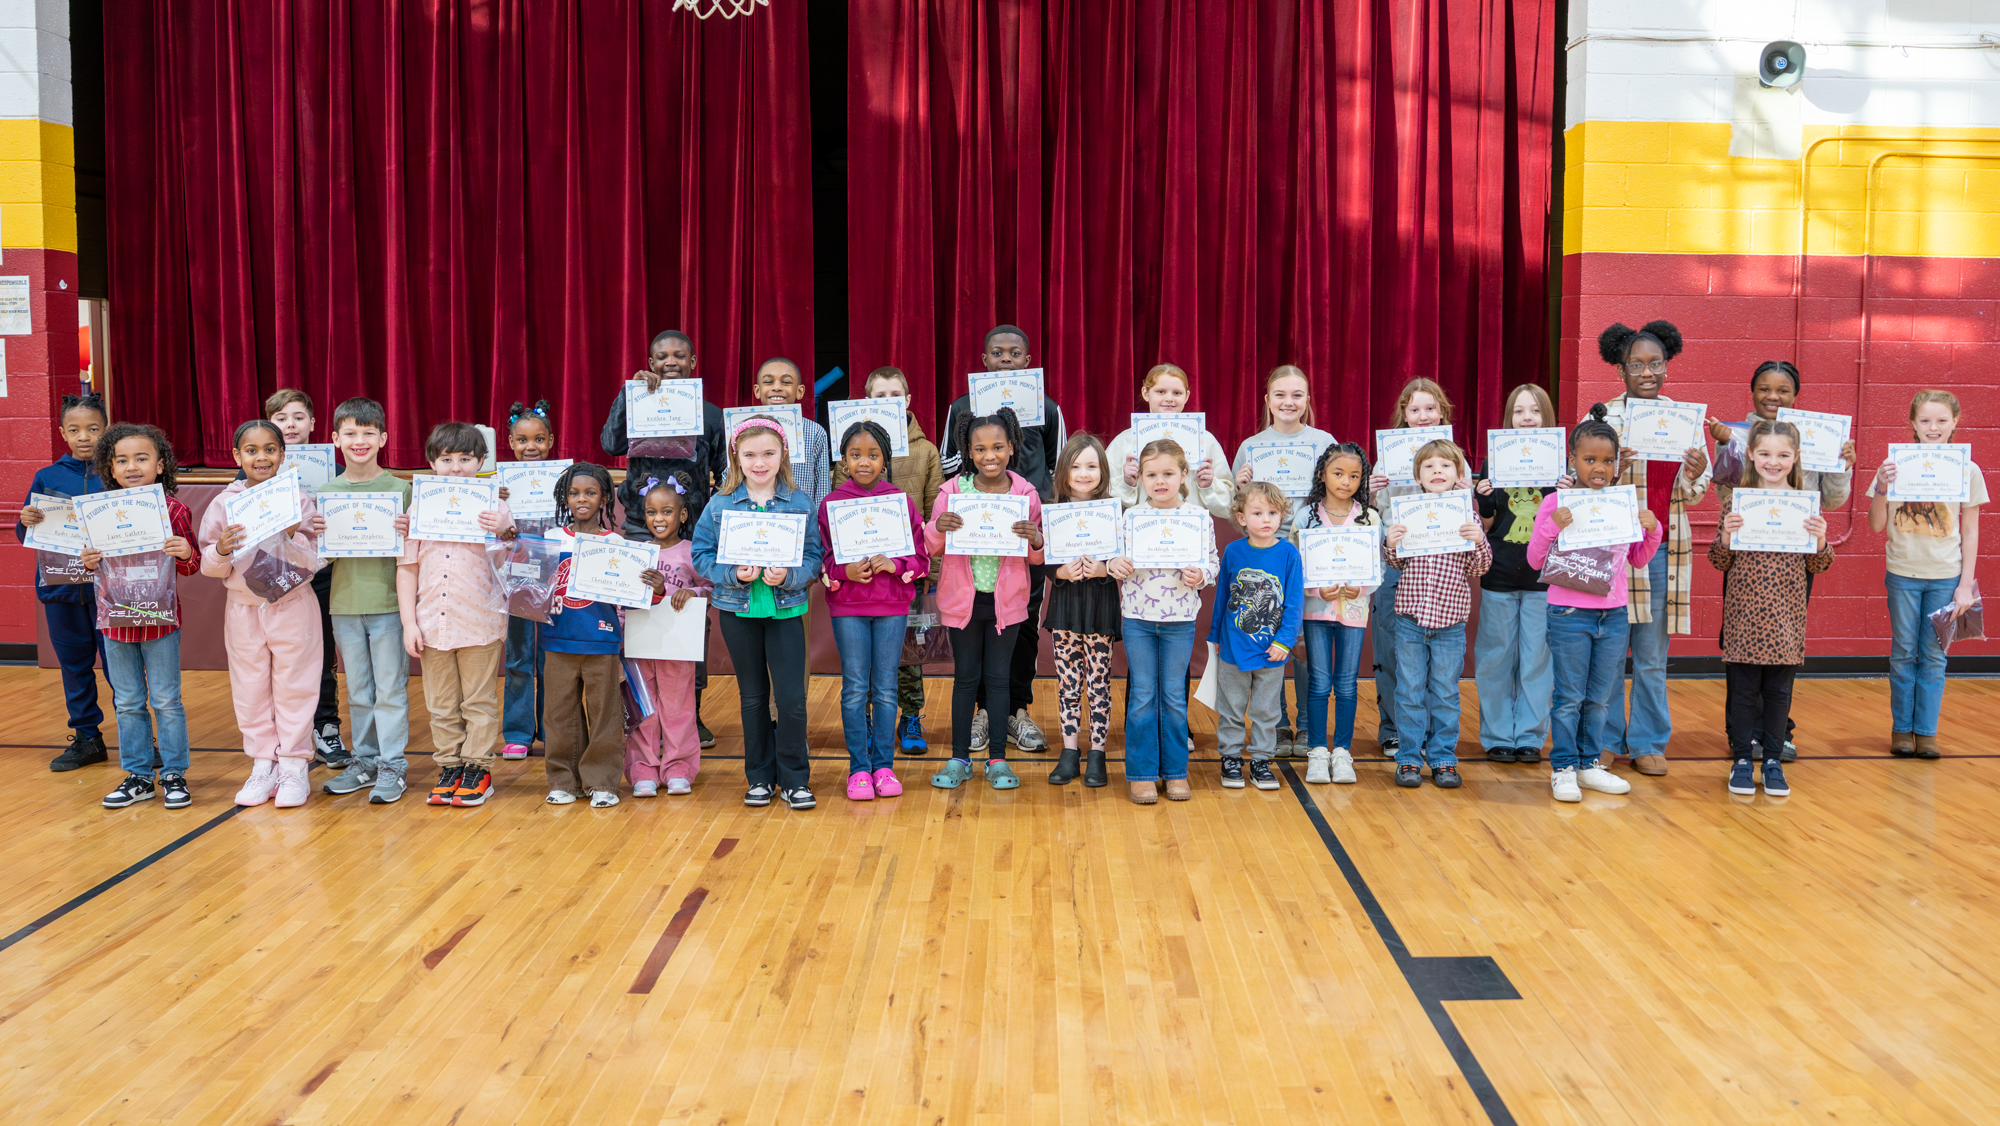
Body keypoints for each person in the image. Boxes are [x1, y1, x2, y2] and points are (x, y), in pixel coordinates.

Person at [1705, 361, 1856, 763]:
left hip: (1793, 560)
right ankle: (1742, 736)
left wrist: (1842, 465)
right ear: (1751, 391)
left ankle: (1776, 734)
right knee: (1738, 645)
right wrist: (1725, 446)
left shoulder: (1816, 437)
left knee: (1782, 646)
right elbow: (1724, 490)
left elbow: (1835, 500)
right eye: (1764, 388)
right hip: (1746, 558)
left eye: (1783, 390)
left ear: (1795, 395)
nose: (1773, 396)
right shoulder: (1736, 434)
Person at [938, 325, 1066, 755]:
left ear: (1028, 362)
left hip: (1020, 542)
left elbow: (1055, 468)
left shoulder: (1047, 408)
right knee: (975, 635)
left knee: (1023, 627)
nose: (1006, 359)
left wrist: (1030, 519)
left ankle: (1015, 710)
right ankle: (982, 713)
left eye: (1015, 353)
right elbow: (950, 466)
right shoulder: (961, 408)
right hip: (971, 547)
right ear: (984, 360)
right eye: (998, 352)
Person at [1525, 405, 1663, 803]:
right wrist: (1554, 525)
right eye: (1589, 460)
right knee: (1569, 697)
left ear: (1618, 464)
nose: (1598, 468)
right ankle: (1564, 767)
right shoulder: (1555, 503)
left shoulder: (1623, 504)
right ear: (1573, 460)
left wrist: (1652, 531)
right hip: (1568, 614)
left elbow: (1636, 559)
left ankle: (1589, 764)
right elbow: (1535, 560)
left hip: (1614, 614)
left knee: (1600, 696)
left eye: (1607, 460)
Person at [1594, 321, 1712, 777]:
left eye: (1655, 363)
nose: (1647, 371)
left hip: (1664, 550)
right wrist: (1613, 467)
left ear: (1667, 367)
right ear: (1620, 370)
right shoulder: (1605, 418)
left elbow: (1697, 493)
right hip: (1615, 553)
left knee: (1650, 657)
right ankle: (1603, 738)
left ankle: (1647, 740)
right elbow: (1589, 485)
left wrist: (1696, 469)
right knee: (1607, 652)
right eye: (1637, 364)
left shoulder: (1684, 419)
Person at [602, 329, 728, 747]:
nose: (669, 361)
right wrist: (628, 395)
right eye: (661, 356)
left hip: (692, 531)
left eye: (678, 355)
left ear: (693, 363)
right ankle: (640, 711)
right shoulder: (637, 401)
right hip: (641, 529)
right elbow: (609, 443)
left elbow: (727, 470)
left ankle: (690, 712)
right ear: (650, 363)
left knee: (689, 619)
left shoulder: (712, 414)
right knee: (639, 618)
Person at [691, 415, 824, 810]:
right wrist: (732, 573)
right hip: (738, 611)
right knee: (752, 697)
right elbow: (701, 554)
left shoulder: (799, 502)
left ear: (783, 454)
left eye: (768, 453)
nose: (759, 462)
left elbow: (814, 556)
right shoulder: (719, 505)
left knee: (791, 699)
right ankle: (760, 778)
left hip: (786, 610)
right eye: (750, 454)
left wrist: (791, 575)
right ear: (737, 456)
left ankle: (796, 779)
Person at [200, 420, 324, 808]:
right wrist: (220, 549)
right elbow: (209, 565)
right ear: (237, 456)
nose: (262, 457)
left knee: (296, 685)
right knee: (250, 688)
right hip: (244, 609)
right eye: (251, 450)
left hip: (292, 605)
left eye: (270, 449)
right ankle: (262, 764)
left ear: (283, 454)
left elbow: (318, 556)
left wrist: (293, 534)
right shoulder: (224, 503)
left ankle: (294, 766)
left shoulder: (298, 499)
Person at [923, 408, 1046, 791]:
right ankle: (960, 757)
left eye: (997, 447)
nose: (989, 455)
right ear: (968, 453)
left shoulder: (1025, 494)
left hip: (1006, 603)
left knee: (998, 679)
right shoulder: (953, 492)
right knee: (965, 679)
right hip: (963, 601)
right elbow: (931, 546)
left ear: (1011, 448)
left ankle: (997, 760)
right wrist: (937, 528)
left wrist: (1036, 539)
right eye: (979, 449)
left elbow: (1037, 554)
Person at [1712, 420, 1834, 797]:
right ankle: (1742, 760)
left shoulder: (1805, 506)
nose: (1773, 461)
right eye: (1765, 453)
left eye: (1783, 455)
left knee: (1780, 694)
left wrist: (1821, 540)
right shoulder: (1738, 501)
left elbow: (1820, 564)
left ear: (1796, 458)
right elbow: (1719, 560)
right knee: (1744, 693)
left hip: (1786, 618)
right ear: (1750, 454)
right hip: (1744, 618)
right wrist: (1727, 536)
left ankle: (1775, 761)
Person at [398, 422, 516, 808]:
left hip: (480, 621)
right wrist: (409, 623)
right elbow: (407, 567)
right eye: (446, 459)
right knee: (441, 704)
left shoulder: (496, 509)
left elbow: (514, 564)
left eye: (465, 459)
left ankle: (477, 768)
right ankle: (449, 765)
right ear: (432, 463)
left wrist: (505, 532)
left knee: (478, 702)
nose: (455, 467)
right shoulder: (418, 509)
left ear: (481, 462)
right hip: (433, 623)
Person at [86, 423, 200, 810]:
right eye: (121, 460)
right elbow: (91, 565)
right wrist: (87, 562)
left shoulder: (175, 510)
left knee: (167, 700)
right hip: (115, 621)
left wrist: (184, 551)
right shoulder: (98, 512)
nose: (131, 466)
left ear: (161, 464)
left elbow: (191, 566)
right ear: (110, 468)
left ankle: (173, 773)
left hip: (160, 620)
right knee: (129, 701)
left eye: (141, 458)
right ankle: (138, 775)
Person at [832, 365, 945, 754]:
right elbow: (835, 510)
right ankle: (864, 721)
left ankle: (910, 716)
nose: (887, 402)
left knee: (908, 652)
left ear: (908, 401)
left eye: (894, 395)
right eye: (878, 397)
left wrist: (927, 569)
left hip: (905, 573)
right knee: (862, 668)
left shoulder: (926, 450)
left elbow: (932, 514)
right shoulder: (848, 451)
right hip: (858, 579)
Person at [1867, 390, 1983, 759]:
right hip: (1902, 573)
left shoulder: (1968, 468)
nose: (1933, 428)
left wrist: (1966, 585)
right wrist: (1883, 487)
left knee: (1934, 655)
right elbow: (1875, 524)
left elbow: (1970, 530)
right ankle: (1902, 729)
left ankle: (1926, 731)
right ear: (1912, 425)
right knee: (1903, 652)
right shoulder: (1894, 464)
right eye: (1925, 421)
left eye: (1941, 421)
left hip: (1946, 577)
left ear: (1955, 422)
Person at [820, 420, 929, 800]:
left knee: (885, 688)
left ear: (884, 460)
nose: (863, 462)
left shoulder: (900, 502)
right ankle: (858, 770)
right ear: (844, 460)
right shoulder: (831, 504)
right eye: (855, 455)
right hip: (848, 607)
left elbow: (921, 558)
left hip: (891, 607)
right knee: (854, 689)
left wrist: (895, 566)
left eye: (872, 455)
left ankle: (884, 767)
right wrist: (843, 571)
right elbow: (822, 560)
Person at [315, 397, 415, 804]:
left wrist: (410, 530)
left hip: (389, 603)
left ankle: (393, 765)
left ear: (383, 438)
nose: (360, 441)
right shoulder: (327, 491)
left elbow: (414, 553)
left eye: (368, 433)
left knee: (390, 689)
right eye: (351, 433)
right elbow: (325, 556)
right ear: (335, 439)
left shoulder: (401, 490)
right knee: (357, 691)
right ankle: (365, 760)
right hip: (344, 604)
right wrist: (316, 533)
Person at [1232, 364, 1335, 758]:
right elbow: (1235, 511)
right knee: (1267, 638)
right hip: (1267, 557)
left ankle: (1308, 728)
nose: (1288, 402)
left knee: (1307, 642)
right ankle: (1276, 726)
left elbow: (1340, 494)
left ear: (1308, 400)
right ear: (1268, 401)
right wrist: (1242, 489)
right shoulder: (1251, 446)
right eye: (1280, 395)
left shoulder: (1324, 442)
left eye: (1297, 395)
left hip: (1312, 553)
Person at [1109, 439, 1220, 804]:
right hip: (1138, 618)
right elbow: (1116, 559)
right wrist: (1115, 565)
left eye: (1168, 474)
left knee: (1173, 697)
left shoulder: (1198, 518)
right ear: (1139, 478)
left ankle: (1175, 773)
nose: (1160, 481)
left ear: (1183, 475)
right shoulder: (1131, 517)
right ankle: (1141, 773)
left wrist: (1200, 574)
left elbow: (1212, 563)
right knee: (1142, 695)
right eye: (1151, 474)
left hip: (1180, 621)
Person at [1380, 438, 1490, 790]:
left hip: (1450, 623)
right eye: (1429, 466)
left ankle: (1443, 758)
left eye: (1445, 465)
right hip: (1410, 619)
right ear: (1418, 475)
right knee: (1409, 690)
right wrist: (1391, 544)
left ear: (1459, 474)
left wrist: (1479, 539)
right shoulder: (1407, 512)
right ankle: (1409, 759)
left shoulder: (1467, 516)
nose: (1437, 471)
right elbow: (1396, 562)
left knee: (1445, 693)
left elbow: (1480, 567)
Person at [1472, 384, 1570, 765]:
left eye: (1534, 411)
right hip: (1499, 574)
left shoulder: (1561, 465)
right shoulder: (1493, 462)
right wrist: (1482, 499)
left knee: (1537, 660)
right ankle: (1498, 736)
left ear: (1547, 417)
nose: (1526, 418)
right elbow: (1490, 522)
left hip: (1543, 579)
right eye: (1518, 411)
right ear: (1508, 418)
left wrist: (1568, 492)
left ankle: (1529, 735)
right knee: (1495, 658)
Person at [15, 393, 108, 771]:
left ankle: (139, 737)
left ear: (106, 430)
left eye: (93, 429)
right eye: (74, 430)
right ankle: (88, 737)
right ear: (62, 433)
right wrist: (27, 519)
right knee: (74, 667)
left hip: (109, 593)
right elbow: (26, 537)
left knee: (123, 670)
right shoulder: (47, 477)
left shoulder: (117, 473)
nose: (84, 436)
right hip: (61, 590)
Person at [540, 463, 639, 808]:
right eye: (574, 493)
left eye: (590, 493)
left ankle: (602, 783)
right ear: (564, 498)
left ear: (604, 498)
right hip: (557, 640)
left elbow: (631, 594)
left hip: (602, 640)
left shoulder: (615, 543)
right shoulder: (551, 540)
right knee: (558, 714)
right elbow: (529, 587)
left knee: (605, 714)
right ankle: (564, 780)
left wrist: (651, 587)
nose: (581, 499)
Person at [1367, 378, 1454, 759]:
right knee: (1392, 645)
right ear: (1403, 414)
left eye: (1430, 408)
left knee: (1439, 655)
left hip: (1440, 564)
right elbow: (1372, 511)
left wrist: (1465, 488)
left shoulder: (1455, 457)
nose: (1422, 416)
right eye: (1414, 409)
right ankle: (1394, 729)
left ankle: (1434, 732)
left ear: (1442, 412)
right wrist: (1369, 490)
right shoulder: (1387, 457)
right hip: (1396, 560)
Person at [264, 389, 351, 769]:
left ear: (313, 423)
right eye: (281, 418)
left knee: (322, 655)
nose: (291, 425)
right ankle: (282, 735)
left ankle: (326, 727)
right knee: (282, 660)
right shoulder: (255, 464)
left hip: (323, 572)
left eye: (298, 417)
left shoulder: (335, 464)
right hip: (277, 579)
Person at [1211, 482, 1305, 792]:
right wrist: (1215, 636)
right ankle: (1231, 758)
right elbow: (1223, 595)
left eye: (1273, 513)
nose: (1266, 519)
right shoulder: (1233, 551)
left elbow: (1293, 602)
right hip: (1233, 648)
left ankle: (1262, 760)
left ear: (1281, 516)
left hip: (1272, 650)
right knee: (1231, 707)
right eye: (1257, 513)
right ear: (1241, 518)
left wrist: (1284, 642)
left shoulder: (1289, 553)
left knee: (1267, 711)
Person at [1294, 442, 1378, 785]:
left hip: (1354, 611)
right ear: (1323, 475)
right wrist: (1314, 590)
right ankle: (1317, 751)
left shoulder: (1369, 517)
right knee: (1318, 682)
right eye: (1338, 473)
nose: (1346, 481)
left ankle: (1342, 752)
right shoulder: (1306, 516)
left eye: (1354, 475)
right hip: (1315, 610)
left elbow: (1379, 567)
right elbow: (1295, 566)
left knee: (1345, 684)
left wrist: (1365, 588)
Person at [625, 473, 712, 796]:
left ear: (683, 514)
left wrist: (690, 593)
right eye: (651, 512)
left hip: (677, 645)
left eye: (666, 512)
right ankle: (642, 768)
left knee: (679, 708)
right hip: (640, 644)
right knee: (643, 708)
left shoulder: (692, 552)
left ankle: (679, 767)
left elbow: (709, 589)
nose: (658, 519)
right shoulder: (636, 553)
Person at [1042, 434, 1121, 788]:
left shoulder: (1114, 511)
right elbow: (1039, 559)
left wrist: (1106, 568)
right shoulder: (1051, 511)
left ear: (1102, 471)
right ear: (1063, 471)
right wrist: (1058, 572)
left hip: (1101, 607)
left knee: (1100, 684)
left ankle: (1097, 754)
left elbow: (1123, 558)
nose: (1084, 473)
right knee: (1068, 684)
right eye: (1075, 466)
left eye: (1091, 466)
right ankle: (1070, 751)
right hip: (1066, 609)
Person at [500, 399, 556, 761]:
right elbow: (495, 537)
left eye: (538, 439)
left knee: (551, 658)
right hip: (517, 580)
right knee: (519, 657)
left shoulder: (563, 482)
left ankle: (553, 728)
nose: (530, 447)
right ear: (510, 443)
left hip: (553, 582)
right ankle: (518, 732)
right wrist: (501, 505)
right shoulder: (501, 487)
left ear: (550, 441)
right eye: (522, 440)